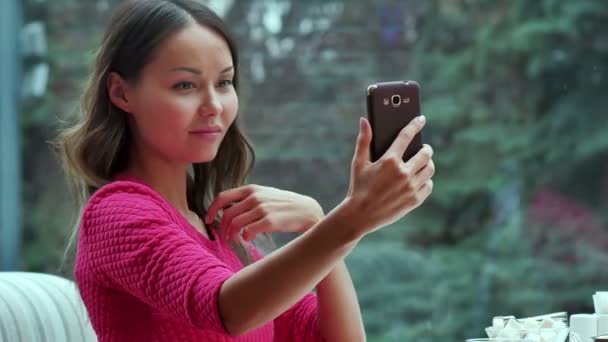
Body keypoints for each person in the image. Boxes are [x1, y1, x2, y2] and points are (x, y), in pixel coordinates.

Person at [57, 0, 435, 341]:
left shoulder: (222, 233)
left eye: (224, 83)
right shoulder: (115, 213)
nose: (214, 106)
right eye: (185, 85)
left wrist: (322, 222)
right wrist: (354, 217)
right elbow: (226, 309)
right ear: (122, 93)